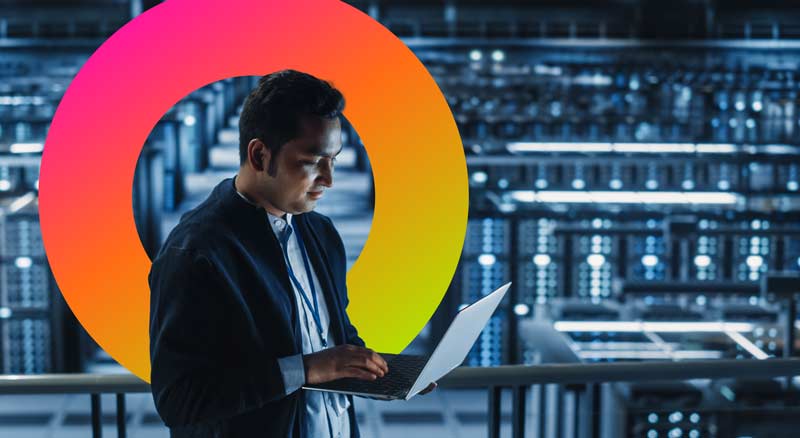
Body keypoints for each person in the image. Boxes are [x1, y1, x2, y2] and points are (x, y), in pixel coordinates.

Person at [148, 70, 432, 438]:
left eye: (334, 159)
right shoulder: (196, 252)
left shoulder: (320, 232)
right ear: (260, 155)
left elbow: (336, 337)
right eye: (313, 161)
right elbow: (179, 399)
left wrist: (386, 374)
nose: (328, 179)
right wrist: (307, 369)